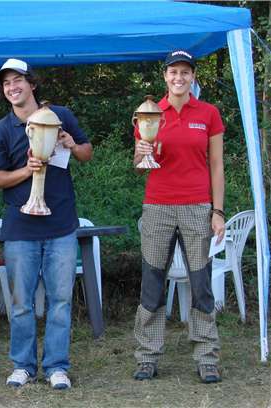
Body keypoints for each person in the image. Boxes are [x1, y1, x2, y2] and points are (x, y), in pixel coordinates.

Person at [0, 58, 92, 390]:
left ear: (32, 84)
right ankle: (23, 365)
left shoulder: (61, 116)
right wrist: (26, 171)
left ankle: (57, 366)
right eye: (6, 84)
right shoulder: (1, 130)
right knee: (21, 303)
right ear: (3, 92)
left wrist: (73, 145)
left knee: (61, 301)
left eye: (18, 80)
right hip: (20, 229)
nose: (13, 87)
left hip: (61, 225)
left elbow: (87, 153)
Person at [132, 50, 225, 383]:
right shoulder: (149, 112)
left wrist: (218, 211)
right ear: (165, 76)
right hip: (157, 206)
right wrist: (140, 153)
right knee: (152, 283)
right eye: (173, 72)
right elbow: (142, 166)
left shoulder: (209, 113)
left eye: (185, 72)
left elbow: (216, 165)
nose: (179, 78)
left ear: (193, 76)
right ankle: (147, 356)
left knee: (201, 284)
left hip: (199, 206)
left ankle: (206, 357)